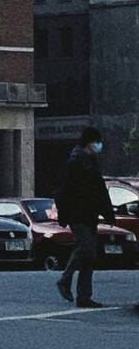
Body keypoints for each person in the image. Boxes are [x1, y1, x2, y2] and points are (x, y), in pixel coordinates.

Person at [55, 126, 113, 308]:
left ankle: (84, 296)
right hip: (78, 213)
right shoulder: (78, 160)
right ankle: (66, 279)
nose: (99, 145)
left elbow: (97, 189)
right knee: (86, 248)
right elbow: (87, 189)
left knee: (89, 254)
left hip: (87, 214)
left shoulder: (89, 160)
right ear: (90, 142)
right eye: (96, 142)